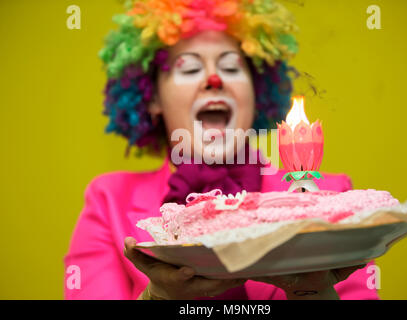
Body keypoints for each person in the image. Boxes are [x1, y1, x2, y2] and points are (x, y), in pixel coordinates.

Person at [64, 0, 379, 300]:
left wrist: (311, 290)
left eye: (231, 68)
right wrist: (158, 296)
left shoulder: (332, 198)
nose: (214, 80)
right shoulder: (107, 199)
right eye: (189, 69)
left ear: (255, 92)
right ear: (152, 99)